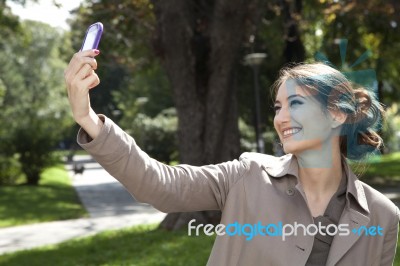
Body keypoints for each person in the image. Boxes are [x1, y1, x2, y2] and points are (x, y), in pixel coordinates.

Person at [64, 49, 399, 265]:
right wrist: (89, 119)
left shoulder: (383, 217)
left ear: (336, 115)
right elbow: (159, 184)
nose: (281, 118)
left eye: (295, 103)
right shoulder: (248, 176)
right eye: (278, 106)